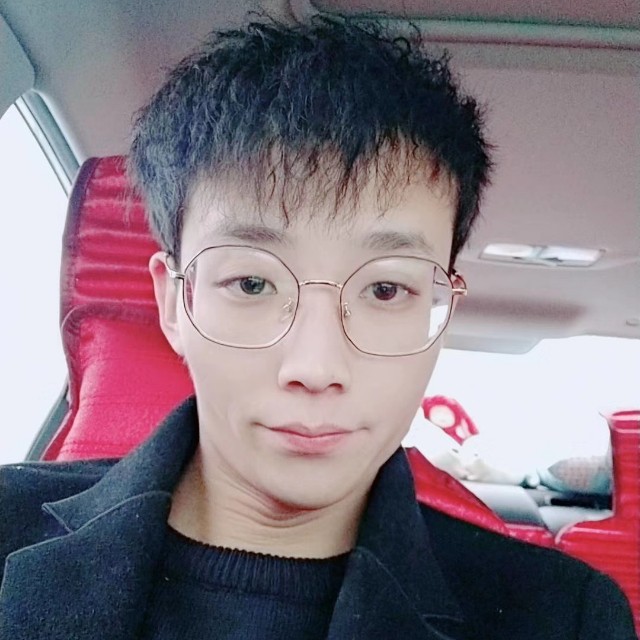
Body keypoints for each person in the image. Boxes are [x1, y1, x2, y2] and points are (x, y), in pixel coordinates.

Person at [0, 14, 636, 640]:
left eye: (386, 289)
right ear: (175, 304)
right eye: (252, 284)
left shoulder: (566, 618)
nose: (316, 367)